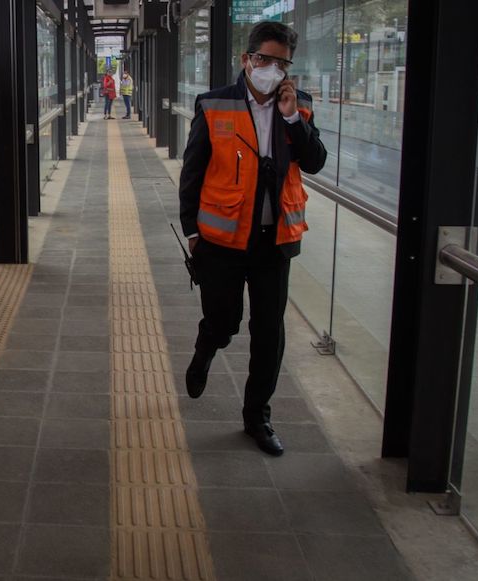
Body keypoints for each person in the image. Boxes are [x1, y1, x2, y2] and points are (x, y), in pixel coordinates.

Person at [178, 21, 327, 456]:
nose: (270, 68)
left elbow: (314, 161)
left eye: (280, 62)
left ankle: (257, 417)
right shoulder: (214, 104)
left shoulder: (298, 106)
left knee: (269, 334)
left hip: (273, 243)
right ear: (247, 59)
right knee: (225, 320)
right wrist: (191, 230)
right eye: (263, 59)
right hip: (222, 242)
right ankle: (208, 345)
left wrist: (291, 117)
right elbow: (193, 172)